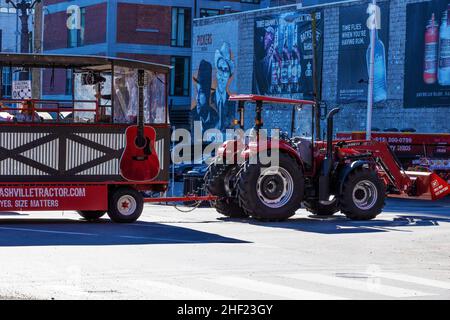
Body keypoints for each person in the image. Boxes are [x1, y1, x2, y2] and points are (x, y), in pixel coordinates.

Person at [211, 42, 236, 131]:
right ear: (217, 72)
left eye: (225, 70)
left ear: (229, 75)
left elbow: (232, 122)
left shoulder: (233, 103)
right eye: (220, 69)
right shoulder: (208, 100)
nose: (222, 74)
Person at [193, 60, 218, 131]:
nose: (197, 98)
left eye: (201, 93)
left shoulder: (216, 117)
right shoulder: (193, 115)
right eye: (197, 92)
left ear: (208, 93)